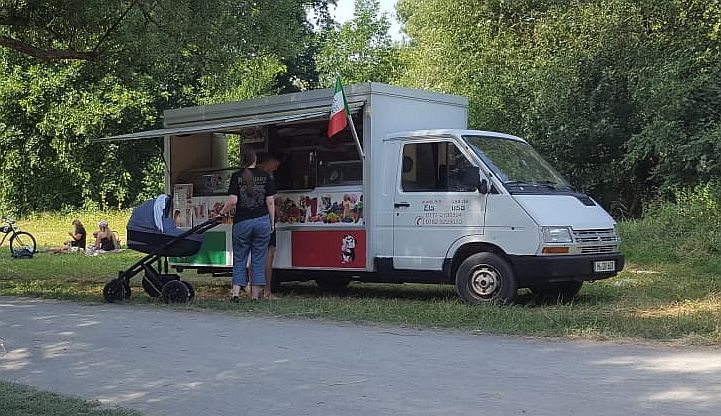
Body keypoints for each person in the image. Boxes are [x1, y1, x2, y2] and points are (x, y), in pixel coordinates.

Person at [219, 147, 276, 301]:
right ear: (255, 159)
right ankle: (255, 296)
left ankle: (236, 294)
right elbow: (270, 202)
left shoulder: (236, 177)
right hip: (262, 221)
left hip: (242, 223)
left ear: (242, 160)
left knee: (240, 258)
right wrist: (272, 223)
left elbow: (233, 201)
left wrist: (222, 213)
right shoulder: (265, 176)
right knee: (258, 258)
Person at [248, 152, 281, 299]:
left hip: (249, 220)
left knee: (253, 255)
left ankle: (251, 289)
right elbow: (270, 201)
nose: (275, 168)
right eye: (275, 165)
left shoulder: (246, 176)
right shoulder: (266, 178)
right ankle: (267, 291)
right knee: (269, 254)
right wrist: (273, 220)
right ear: (268, 161)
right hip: (265, 220)